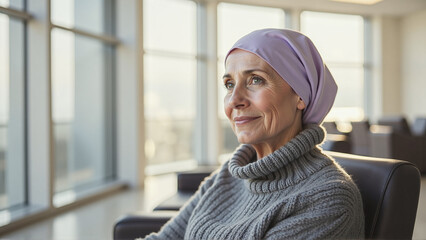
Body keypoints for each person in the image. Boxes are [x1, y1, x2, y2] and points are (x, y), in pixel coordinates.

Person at [145, 29, 365, 239]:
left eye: (255, 80)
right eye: (229, 84)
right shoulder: (231, 173)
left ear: (300, 96)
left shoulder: (328, 199)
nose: (234, 100)